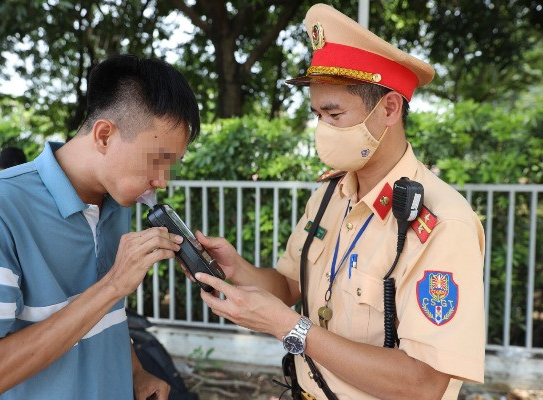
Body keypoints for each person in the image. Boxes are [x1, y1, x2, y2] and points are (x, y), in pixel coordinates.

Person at [191, 4, 485, 400]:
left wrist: (292, 329)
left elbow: (424, 383)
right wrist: (236, 269)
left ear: (390, 109)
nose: (321, 129)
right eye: (317, 114)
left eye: (334, 114)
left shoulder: (443, 222)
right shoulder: (329, 195)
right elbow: (289, 286)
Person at [0, 54, 200, 400]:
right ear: (105, 135)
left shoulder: (115, 204)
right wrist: (111, 285)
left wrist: (136, 373)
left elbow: (104, 317)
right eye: (157, 160)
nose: (162, 180)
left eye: (172, 165)